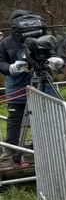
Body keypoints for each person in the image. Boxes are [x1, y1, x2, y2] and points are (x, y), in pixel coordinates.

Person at [0, 11, 47, 168]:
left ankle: (39, 148)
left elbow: (51, 54)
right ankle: (11, 151)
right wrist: (11, 68)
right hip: (16, 86)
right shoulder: (6, 43)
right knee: (15, 120)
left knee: (40, 119)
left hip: (39, 84)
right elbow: (1, 62)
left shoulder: (40, 38)